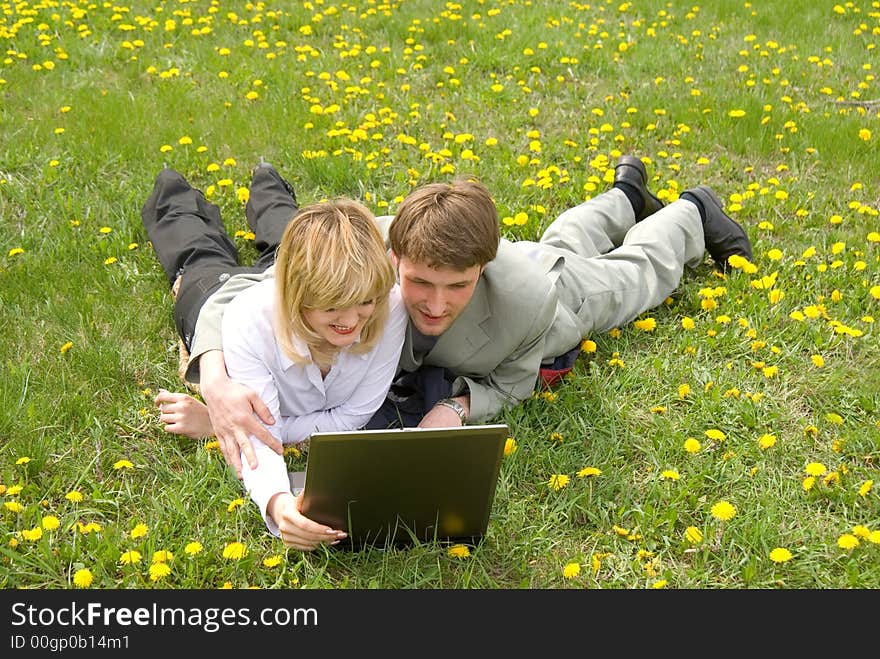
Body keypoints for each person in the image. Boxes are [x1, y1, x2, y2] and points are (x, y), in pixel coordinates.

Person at [174, 154, 753, 476]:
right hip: (512, 261)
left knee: (630, 279)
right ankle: (626, 195)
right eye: (418, 281)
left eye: (456, 287)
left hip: (555, 294)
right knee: (561, 237)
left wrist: (456, 407)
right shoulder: (361, 251)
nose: (433, 303)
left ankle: (691, 213)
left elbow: (514, 379)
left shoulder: (525, 301)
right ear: (392, 254)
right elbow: (242, 297)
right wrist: (219, 381)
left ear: (482, 269)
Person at [141, 166, 408, 550]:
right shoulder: (249, 320)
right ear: (298, 296)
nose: (352, 321)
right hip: (218, 297)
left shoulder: (388, 304)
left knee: (287, 238)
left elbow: (353, 416)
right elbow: (258, 440)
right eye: (334, 307)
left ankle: (266, 182)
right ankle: (173, 190)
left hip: (291, 280)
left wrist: (224, 425)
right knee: (200, 255)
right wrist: (278, 504)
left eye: (365, 302)